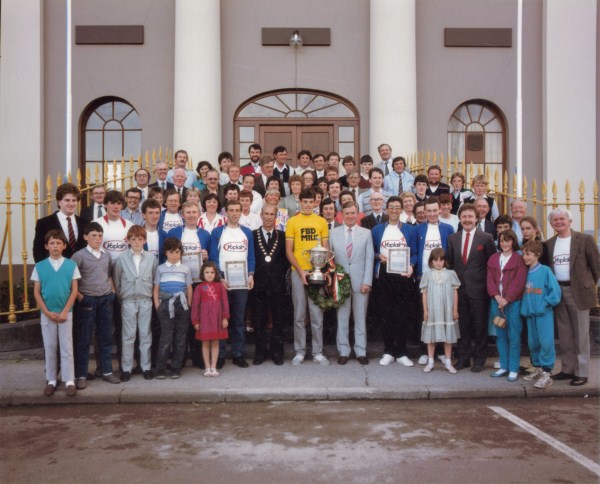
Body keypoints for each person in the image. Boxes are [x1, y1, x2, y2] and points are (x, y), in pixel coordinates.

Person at [546, 208, 600, 386]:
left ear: (570, 221)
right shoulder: (550, 243)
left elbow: (596, 267)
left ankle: (582, 372)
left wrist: (587, 285)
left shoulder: (584, 239)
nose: (559, 222)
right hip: (559, 291)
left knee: (581, 334)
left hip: (578, 292)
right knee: (565, 334)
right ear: (551, 224)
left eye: (562, 219)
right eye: (555, 220)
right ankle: (567, 369)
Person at [447, 203, 496, 372]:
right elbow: (451, 264)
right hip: (460, 289)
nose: (467, 220)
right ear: (460, 219)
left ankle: (480, 359)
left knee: (480, 325)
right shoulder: (453, 238)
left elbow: (492, 265)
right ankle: (463, 358)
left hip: (480, 289)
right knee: (463, 325)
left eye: (470, 216)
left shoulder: (487, 238)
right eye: (464, 216)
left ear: (476, 218)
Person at [32, 230, 80, 396]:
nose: (55, 246)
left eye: (59, 243)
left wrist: (66, 310)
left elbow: (74, 290)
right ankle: (51, 379)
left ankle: (69, 380)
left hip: (66, 313)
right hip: (47, 314)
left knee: (67, 347)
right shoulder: (40, 266)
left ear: (64, 246)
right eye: (52, 243)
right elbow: (37, 292)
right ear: (46, 246)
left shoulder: (71, 265)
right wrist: (45, 311)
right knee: (50, 346)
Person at [71, 222, 120, 388]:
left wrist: (112, 291)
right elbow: (72, 281)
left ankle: (106, 371)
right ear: (85, 237)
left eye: (100, 235)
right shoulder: (79, 256)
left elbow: (108, 275)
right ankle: (81, 375)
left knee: (105, 338)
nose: (97, 238)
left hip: (105, 299)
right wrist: (80, 297)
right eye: (93, 235)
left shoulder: (106, 255)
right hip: (88, 301)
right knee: (84, 339)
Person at [286, 188, 330, 365]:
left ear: (315, 203)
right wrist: (300, 270)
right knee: (299, 314)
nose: (307, 205)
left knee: (316, 313)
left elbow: (325, 248)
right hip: (298, 272)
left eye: (310, 202)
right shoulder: (292, 222)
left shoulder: (321, 222)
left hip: (316, 273)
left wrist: (321, 269)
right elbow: (289, 250)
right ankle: (300, 351)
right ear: (300, 202)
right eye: (304, 202)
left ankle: (318, 352)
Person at [372, 196, 418, 367]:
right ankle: (388, 351)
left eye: (397, 207)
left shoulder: (409, 230)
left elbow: (414, 253)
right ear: (386, 209)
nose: (393, 210)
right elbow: (372, 251)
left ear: (401, 209)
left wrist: (412, 265)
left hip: (402, 275)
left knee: (402, 314)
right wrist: (378, 256)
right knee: (386, 314)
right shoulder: (377, 230)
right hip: (384, 274)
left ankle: (401, 352)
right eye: (390, 207)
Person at [209, 200, 256, 369]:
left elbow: (250, 256)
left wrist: (251, 274)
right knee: (222, 318)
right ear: (226, 212)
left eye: (238, 210)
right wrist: (219, 277)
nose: (235, 213)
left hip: (242, 283)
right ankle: (220, 355)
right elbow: (214, 258)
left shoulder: (247, 233)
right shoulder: (217, 232)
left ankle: (238, 354)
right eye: (231, 210)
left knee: (238, 319)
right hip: (223, 282)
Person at [329, 202, 374, 365]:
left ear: (358, 214)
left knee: (360, 318)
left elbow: (369, 259)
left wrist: (367, 281)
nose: (350, 216)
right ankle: (344, 351)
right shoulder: (333, 233)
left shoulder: (366, 233)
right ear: (341, 215)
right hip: (341, 282)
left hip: (360, 282)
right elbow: (330, 260)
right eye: (347, 213)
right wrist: (334, 281)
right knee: (342, 317)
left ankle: (361, 351)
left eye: (353, 213)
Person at [113, 225, 157, 382]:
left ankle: (146, 366)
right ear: (128, 241)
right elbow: (117, 282)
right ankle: (126, 367)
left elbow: (154, 279)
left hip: (145, 301)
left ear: (145, 240)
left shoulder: (152, 258)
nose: (137, 242)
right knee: (128, 335)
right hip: (129, 301)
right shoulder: (121, 259)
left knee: (145, 334)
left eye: (140, 239)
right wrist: (123, 297)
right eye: (133, 239)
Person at [520, 240, 562, 389]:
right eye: (524, 254)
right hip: (530, 314)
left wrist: (545, 304)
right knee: (533, 342)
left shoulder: (545, 271)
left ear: (537, 254)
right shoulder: (524, 272)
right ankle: (538, 368)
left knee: (546, 342)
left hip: (543, 314)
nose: (525, 257)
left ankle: (547, 372)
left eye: (528, 254)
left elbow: (555, 292)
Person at [252, 204, 290, 365]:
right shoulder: (252, 235)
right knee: (258, 319)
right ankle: (260, 352)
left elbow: (286, 260)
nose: (268, 217)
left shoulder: (283, 236)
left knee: (278, 319)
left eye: (271, 214)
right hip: (258, 285)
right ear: (261, 215)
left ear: (276, 217)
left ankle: (277, 352)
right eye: (266, 214)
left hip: (277, 284)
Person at [487, 230, 527, 382]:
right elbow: (490, 280)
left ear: (513, 242)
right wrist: (497, 296)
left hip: (513, 303)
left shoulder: (519, 259)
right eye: (502, 241)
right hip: (496, 302)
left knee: (514, 335)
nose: (504, 243)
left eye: (508, 240)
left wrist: (507, 299)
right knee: (500, 335)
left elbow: (519, 282)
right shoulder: (493, 258)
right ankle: (504, 366)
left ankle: (514, 368)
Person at [153, 237, 193, 379]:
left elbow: (189, 287)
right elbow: (156, 288)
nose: (175, 255)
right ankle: (161, 368)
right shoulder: (160, 269)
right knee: (166, 337)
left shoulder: (185, 269)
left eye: (177, 252)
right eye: (171, 252)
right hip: (165, 303)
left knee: (180, 338)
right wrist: (158, 305)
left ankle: (176, 368)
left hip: (181, 304)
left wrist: (188, 304)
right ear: (165, 253)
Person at [419, 248, 460, 374]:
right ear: (431, 261)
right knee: (431, 337)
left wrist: (455, 310)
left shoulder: (451, 274)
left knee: (448, 336)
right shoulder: (427, 275)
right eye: (435, 260)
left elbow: (455, 292)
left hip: (447, 310)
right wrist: (425, 310)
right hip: (433, 310)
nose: (438, 263)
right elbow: (424, 294)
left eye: (441, 260)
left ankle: (448, 362)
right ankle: (430, 362)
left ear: (445, 261)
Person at [192, 261, 230, 377]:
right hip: (204, 319)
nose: (209, 274)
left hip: (217, 319)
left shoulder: (220, 287)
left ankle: (214, 366)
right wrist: (195, 321)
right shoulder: (199, 288)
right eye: (207, 272)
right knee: (205, 343)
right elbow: (195, 305)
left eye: (212, 272)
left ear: (216, 274)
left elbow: (225, 303)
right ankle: (207, 367)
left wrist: (225, 317)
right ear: (202, 273)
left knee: (215, 343)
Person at [33, 183, 86, 262]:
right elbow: (38, 251)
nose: (71, 203)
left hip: (80, 271)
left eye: (74, 200)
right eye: (67, 200)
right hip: (55, 270)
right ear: (59, 202)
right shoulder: (44, 223)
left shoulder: (85, 223)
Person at [96, 190, 134, 261]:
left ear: (122, 206)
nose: (116, 206)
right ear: (105, 204)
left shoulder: (130, 225)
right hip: (103, 266)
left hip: (123, 267)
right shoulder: (96, 224)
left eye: (119, 203)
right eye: (112, 203)